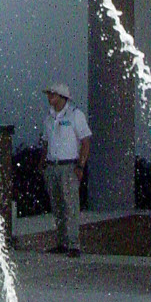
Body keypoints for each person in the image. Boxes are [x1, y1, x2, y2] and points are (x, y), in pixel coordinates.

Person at [36, 82, 91, 258]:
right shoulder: (49, 117)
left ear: (62, 97)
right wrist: (42, 162)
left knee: (70, 206)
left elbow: (85, 141)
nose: (49, 97)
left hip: (69, 166)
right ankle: (62, 242)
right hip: (52, 166)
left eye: (52, 94)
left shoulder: (75, 115)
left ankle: (74, 244)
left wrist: (81, 165)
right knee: (57, 205)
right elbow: (45, 142)